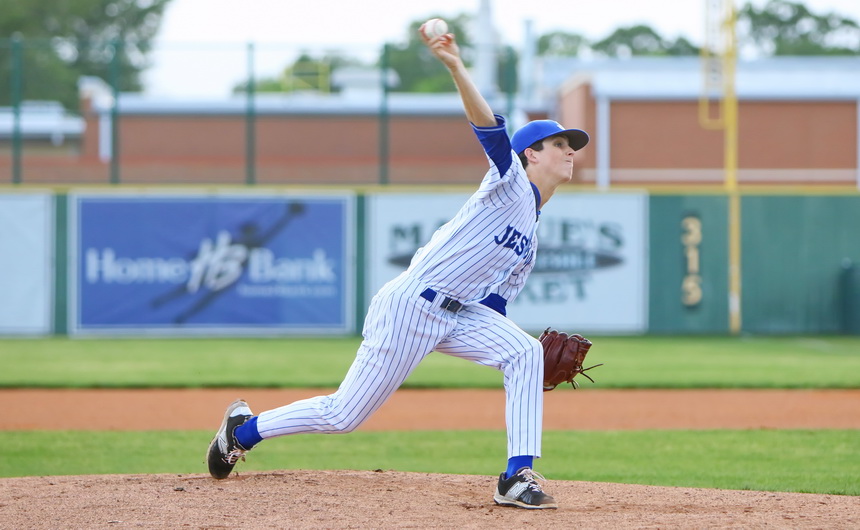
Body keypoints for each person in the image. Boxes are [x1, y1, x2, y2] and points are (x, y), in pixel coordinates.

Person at [206, 23, 589, 510]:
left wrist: (521, 358)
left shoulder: (530, 237)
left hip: (459, 314)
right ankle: (244, 431)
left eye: (571, 144)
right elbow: (489, 126)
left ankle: (516, 478)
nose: (570, 150)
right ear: (531, 153)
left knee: (524, 353)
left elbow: (495, 305)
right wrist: (455, 64)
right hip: (412, 305)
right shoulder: (509, 182)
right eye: (559, 144)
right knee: (343, 415)